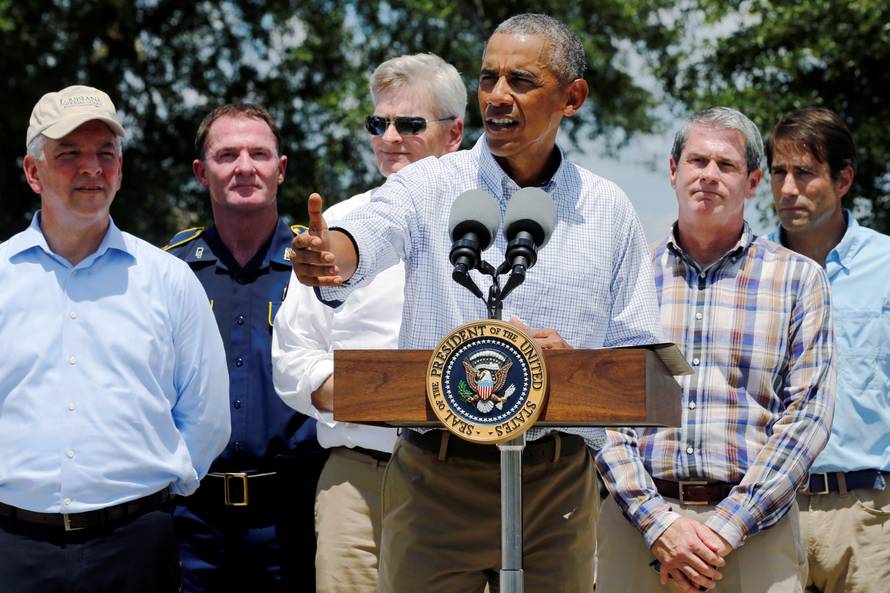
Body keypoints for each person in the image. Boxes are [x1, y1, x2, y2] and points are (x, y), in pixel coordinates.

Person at [289, 13, 663, 593]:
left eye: (521, 81)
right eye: (488, 79)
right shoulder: (432, 184)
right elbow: (365, 235)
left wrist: (572, 367)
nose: (498, 97)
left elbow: (640, 359)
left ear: (572, 97)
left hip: (557, 482)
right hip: (436, 476)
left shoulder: (608, 210)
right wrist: (329, 256)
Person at [0, 84, 230, 593]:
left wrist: (158, 491)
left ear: (121, 171)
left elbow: (208, 416)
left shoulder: (168, 279)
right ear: (33, 172)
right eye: (70, 154)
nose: (92, 167)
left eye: (106, 154)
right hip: (12, 548)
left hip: (137, 546)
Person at [595, 107, 835, 593]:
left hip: (755, 534)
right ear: (672, 170)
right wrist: (659, 523)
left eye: (725, 165)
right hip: (637, 527)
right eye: (696, 160)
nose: (708, 175)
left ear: (751, 183)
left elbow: (807, 418)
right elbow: (605, 417)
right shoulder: (626, 279)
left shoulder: (798, 280)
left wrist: (723, 528)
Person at [272, 53, 464, 593]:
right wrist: (385, 400)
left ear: (454, 133)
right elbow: (292, 361)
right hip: (359, 480)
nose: (390, 137)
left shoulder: (500, 226)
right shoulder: (335, 228)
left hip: (471, 478)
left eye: (409, 123)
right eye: (378, 123)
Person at [165, 104, 323, 592]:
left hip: (295, 514)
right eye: (226, 154)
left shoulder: (321, 265)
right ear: (201, 172)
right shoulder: (168, 271)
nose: (244, 167)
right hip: (192, 521)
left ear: (281, 169)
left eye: (259, 153)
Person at [766, 106, 890, 593]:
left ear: (843, 180)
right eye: (779, 173)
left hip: (867, 517)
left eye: (805, 173)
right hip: (768, 509)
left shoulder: (887, 266)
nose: (789, 189)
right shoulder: (751, 271)